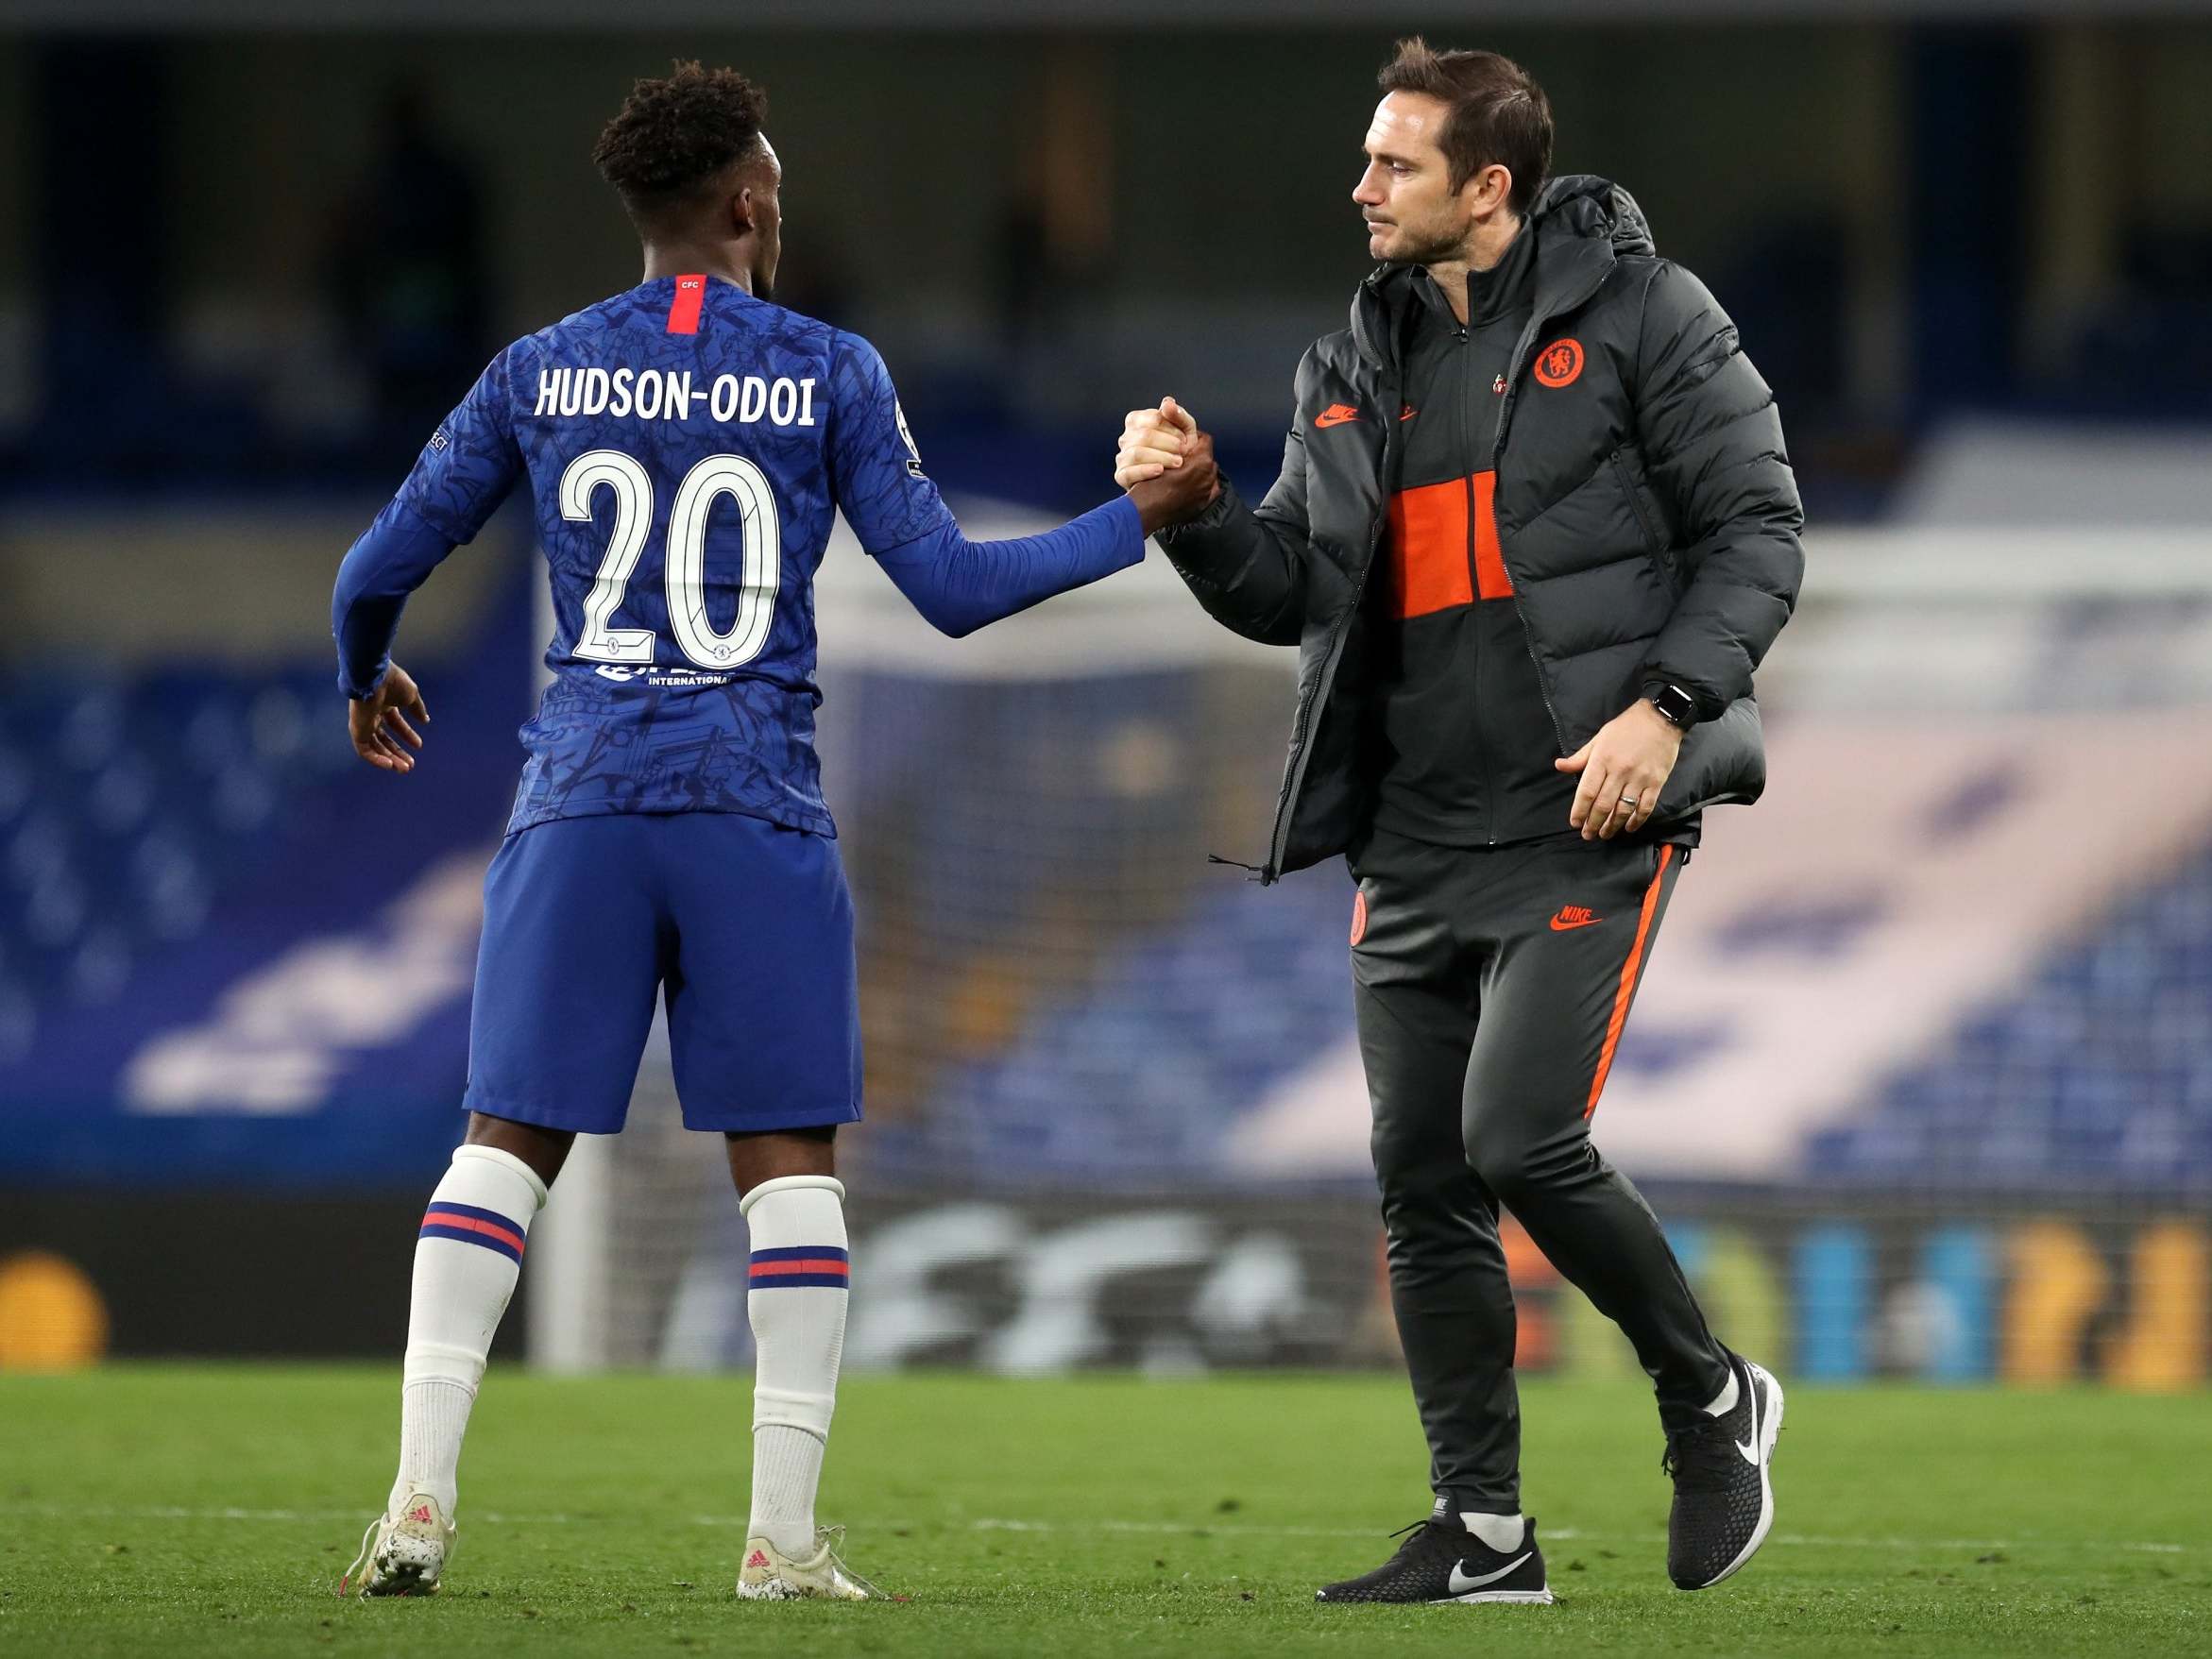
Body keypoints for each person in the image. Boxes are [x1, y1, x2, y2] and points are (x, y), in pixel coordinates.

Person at [331, 60, 1212, 1602]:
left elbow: (371, 567)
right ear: (746, 207)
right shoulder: (828, 371)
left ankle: (413, 1506)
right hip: (749, 801)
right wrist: (1136, 518)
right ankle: (780, 1540)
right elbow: (950, 590)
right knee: (786, 1165)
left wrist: (363, 676)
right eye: (779, 199)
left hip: (583, 796)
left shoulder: (540, 367)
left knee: (502, 1146)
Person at [1115, 39, 1804, 1604]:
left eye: (1394, 163)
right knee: (1420, 1176)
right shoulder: (1347, 359)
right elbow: (1294, 592)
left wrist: (1666, 708)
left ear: (1486, 188)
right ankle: (1484, 1533)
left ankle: (1709, 1394)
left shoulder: (1649, 316)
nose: (1359, 187)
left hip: (1584, 811)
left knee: (1516, 1138)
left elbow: (1758, 529)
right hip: (1411, 834)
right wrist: (1197, 518)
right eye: (1365, 158)